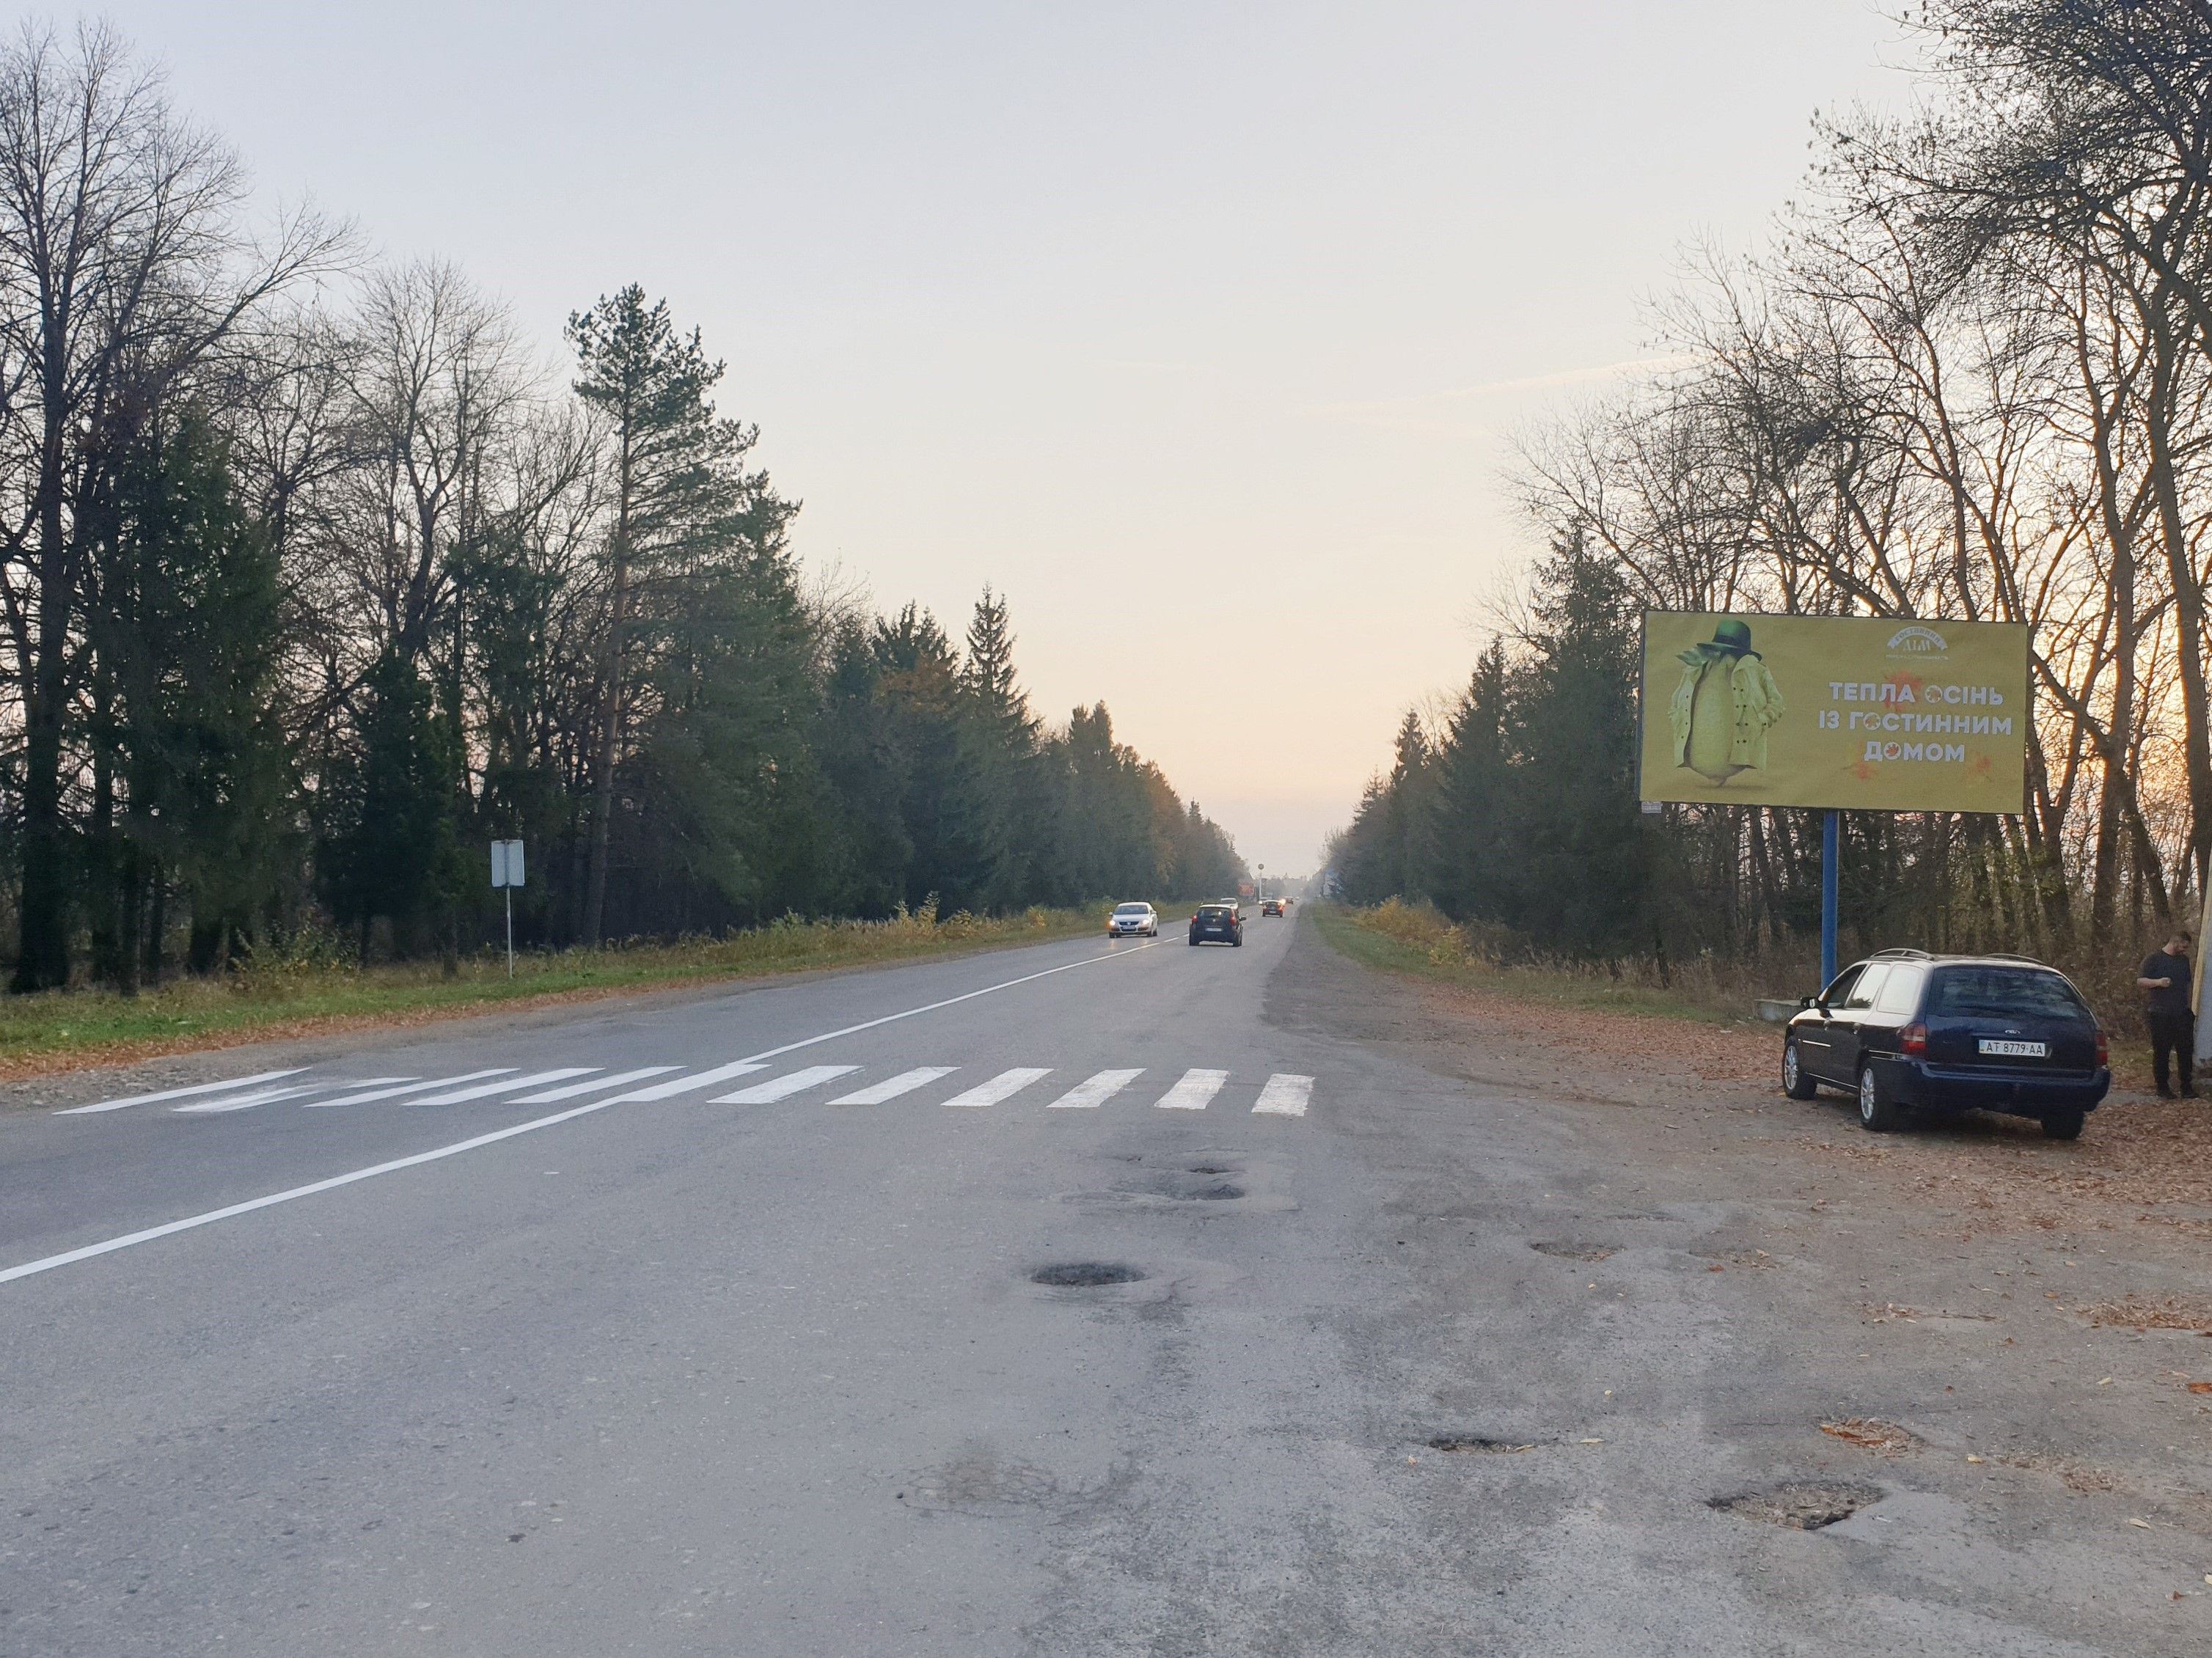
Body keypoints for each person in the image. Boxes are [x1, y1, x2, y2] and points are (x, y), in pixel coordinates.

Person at [2137, 930, 2196, 1098]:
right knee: (2162, 1051)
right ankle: (2162, 1087)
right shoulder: (2154, 959)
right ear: (2175, 941)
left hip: (2181, 1013)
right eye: (2183, 946)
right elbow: (2141, 981)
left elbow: (2187, 985)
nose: (2184, 950)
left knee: (2186, 1051)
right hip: (2160, 1013)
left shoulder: (2183, 961)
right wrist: (2158, 982)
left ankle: (2187, 1087)